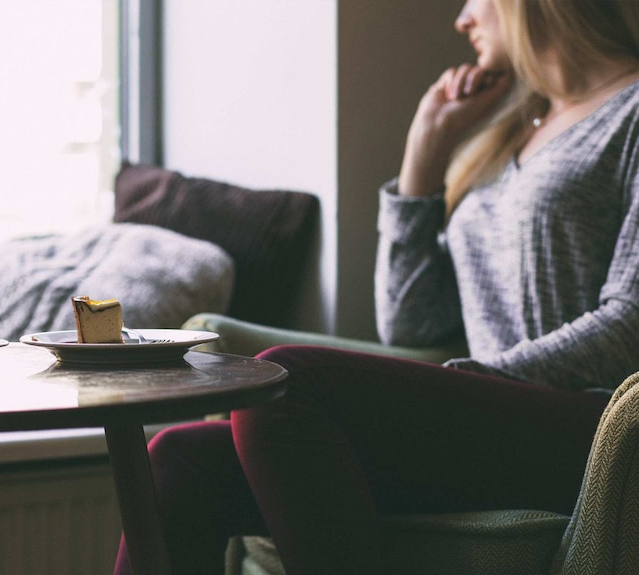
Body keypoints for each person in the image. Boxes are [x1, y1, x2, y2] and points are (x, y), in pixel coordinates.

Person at [114, 0, 639, 573]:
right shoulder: (512, 126)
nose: (462, 20)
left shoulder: (631, 112)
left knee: (287, 379)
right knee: (178, 457)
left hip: (598, 428)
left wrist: (473, 380)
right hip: (485, 415)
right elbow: (413, 323)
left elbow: (630, 322)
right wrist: (424, 155)